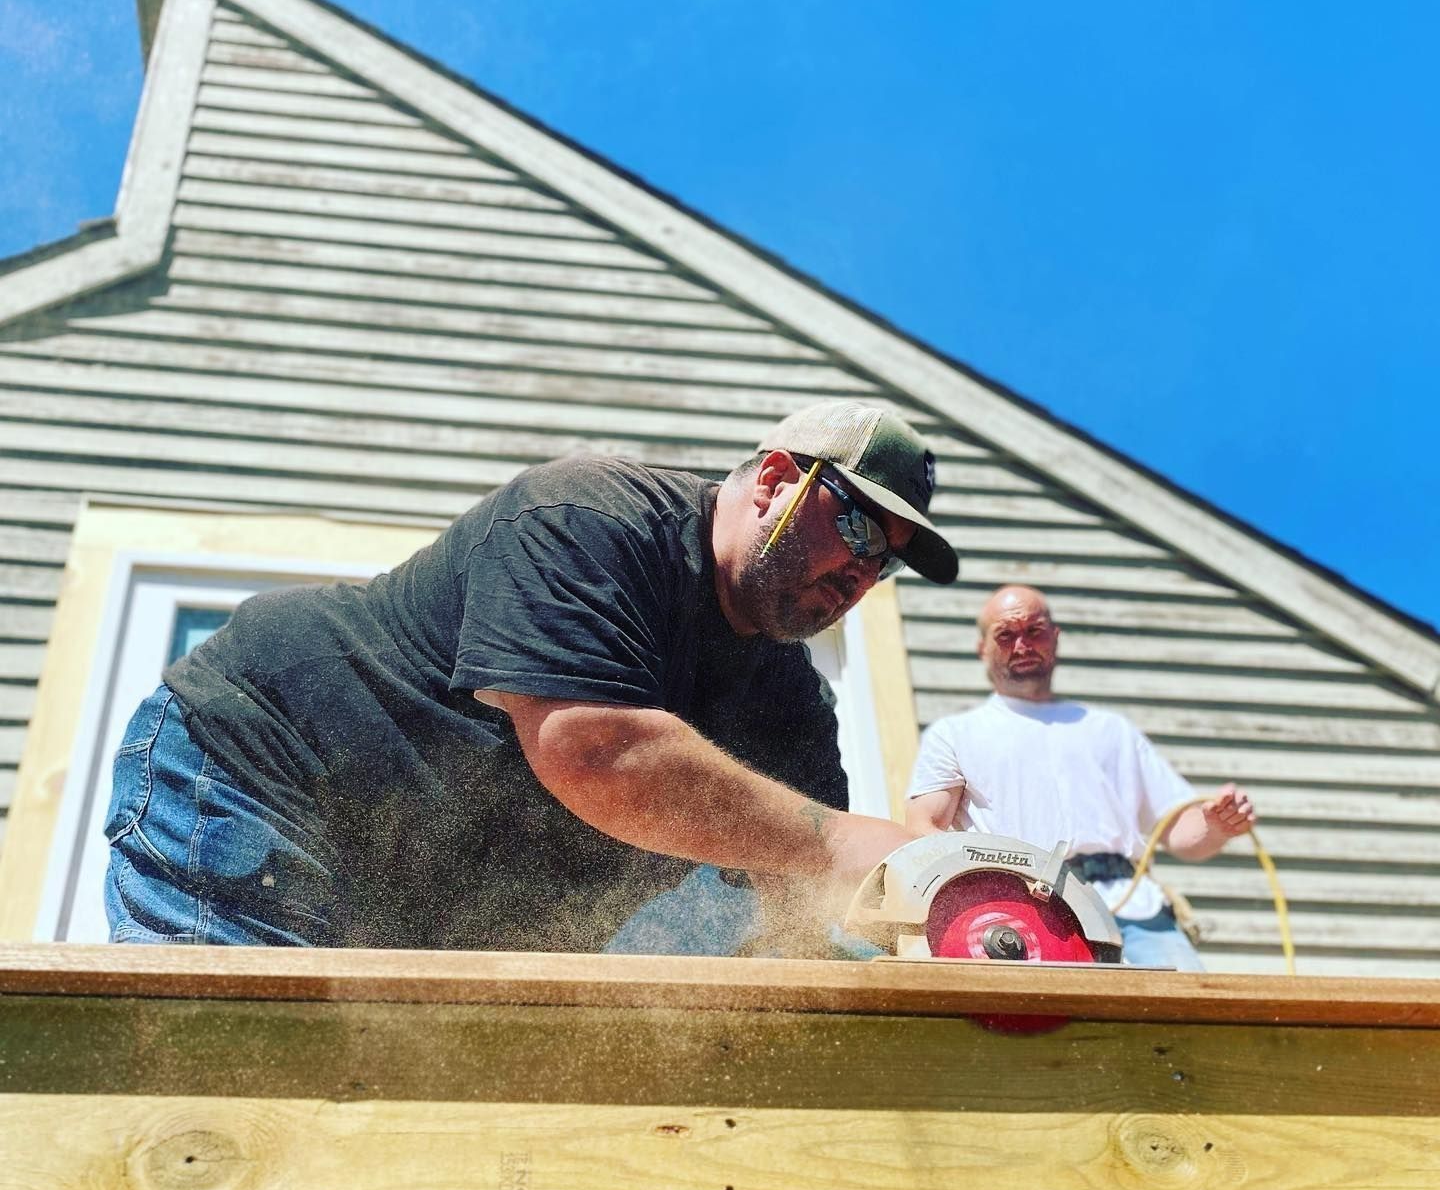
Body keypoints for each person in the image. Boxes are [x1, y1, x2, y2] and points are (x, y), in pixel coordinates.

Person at [103, 398, 959, 954]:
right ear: (775, 480)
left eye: (884, 565)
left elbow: (800, 916)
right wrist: (843, 838)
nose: (861, 572)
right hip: (261, 771)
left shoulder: (790, 710)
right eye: (855, 526)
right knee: (231, 1086)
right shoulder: (592, 518)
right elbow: (596, 750)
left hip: (424, 908)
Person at [905, 584, 1254, 969]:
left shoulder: (1111, 730)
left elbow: (1182, 835)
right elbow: (924, 827)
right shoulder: (955, 734)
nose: (1021, 645)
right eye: (1005, 635)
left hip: (1135, 912)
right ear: (983, 649)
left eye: (1034, 630)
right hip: (1027, 914)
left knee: (1187, 1017)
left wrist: (1216, 823)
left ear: (1055, 637)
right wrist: (984, 889)